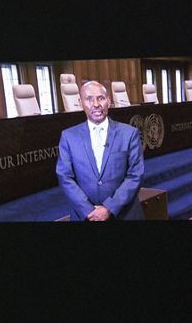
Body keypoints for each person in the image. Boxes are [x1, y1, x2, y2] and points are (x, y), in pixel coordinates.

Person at [54, 79, 144, 221]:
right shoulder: (68, 136)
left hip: (124, 214)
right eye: (89, 99)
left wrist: (109, 208)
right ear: (80, 102)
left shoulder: (129, 133)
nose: (96, 104)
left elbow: (135, 175)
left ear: (108, 101)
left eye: (100, 98)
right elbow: (64, 176)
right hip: (85, 216)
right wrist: (88, 211)